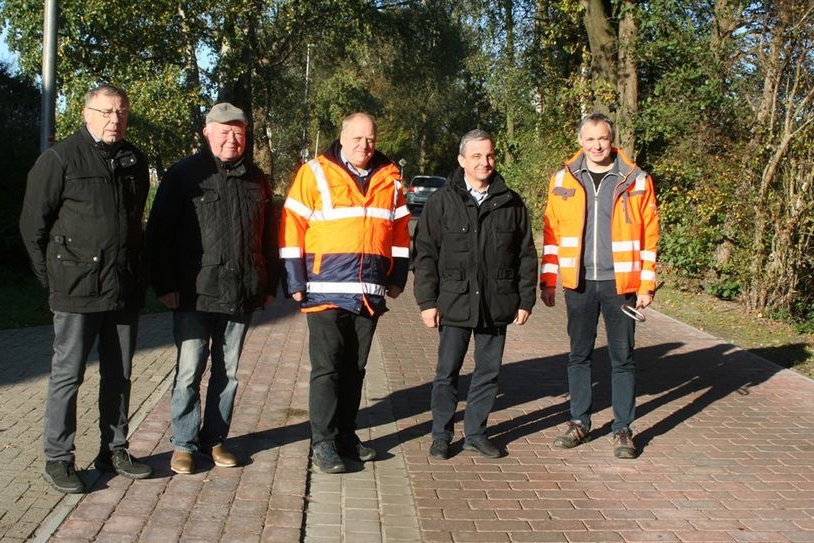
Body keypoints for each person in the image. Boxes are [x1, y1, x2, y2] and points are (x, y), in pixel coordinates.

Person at [19, 84, 153, 493]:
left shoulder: (133, 159)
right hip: (76, 290)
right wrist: (53, 281)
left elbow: (133, 224)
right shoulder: (59, 158)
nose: (116, 119)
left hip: (122, 288)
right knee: (68, 376)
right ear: (87, 113)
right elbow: (32, 227)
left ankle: (114, 450)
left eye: (123, 112)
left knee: (120, 375)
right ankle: (58, 458)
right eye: (107, 111)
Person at [146, 102, 279, 475]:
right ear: (208, 134)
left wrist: (269, 284)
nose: (231, 138)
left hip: (241, 293)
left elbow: (270, 235)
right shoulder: (184, 175)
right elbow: (159, 234)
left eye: (238, 131)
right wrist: (165, 284)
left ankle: (215, 439)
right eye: (223, 131)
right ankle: (184, 444)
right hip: (193, 292)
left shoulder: (257, 178)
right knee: (189, 371)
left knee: (229, 373)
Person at [280, 112, 410, 474]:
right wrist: (294, 281)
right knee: (328, 369)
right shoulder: (315, 173)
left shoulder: (392, 180)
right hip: (325, 290)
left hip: (368, 291)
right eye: (356, 138)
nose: (363, 146)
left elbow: (399, 235)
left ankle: (347, 436)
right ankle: (323, 442)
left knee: (356, 368)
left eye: (369, 139)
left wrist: (397, 276)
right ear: (342, 137)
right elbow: (292, 226)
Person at [540, 112, 659, 459]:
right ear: (580, 142)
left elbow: (650, 235)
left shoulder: (636, 179)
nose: (596, 145)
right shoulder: (563, 177)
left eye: (602, 139)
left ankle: (623, 429)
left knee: (623, 358)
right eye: (590, 139)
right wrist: (549, 280)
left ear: (612, 140)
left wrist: (646, 285)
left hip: (620, 283)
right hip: (578, 283)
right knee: (579, 355)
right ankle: (580, 422)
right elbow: (552, 233)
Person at [413, 129, 537, 460]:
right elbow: (424, 254)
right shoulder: (442, 201)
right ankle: (441, 435)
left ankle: (476, 433)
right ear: (462, 160)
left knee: (488, 372)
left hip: (497, 301)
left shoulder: (511, 201)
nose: (485, 162)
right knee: (447, 373)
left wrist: (526, 299)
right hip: (453, 300)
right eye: (477, 156)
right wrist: (426, 302)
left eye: (490, 155)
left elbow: (526, 254)